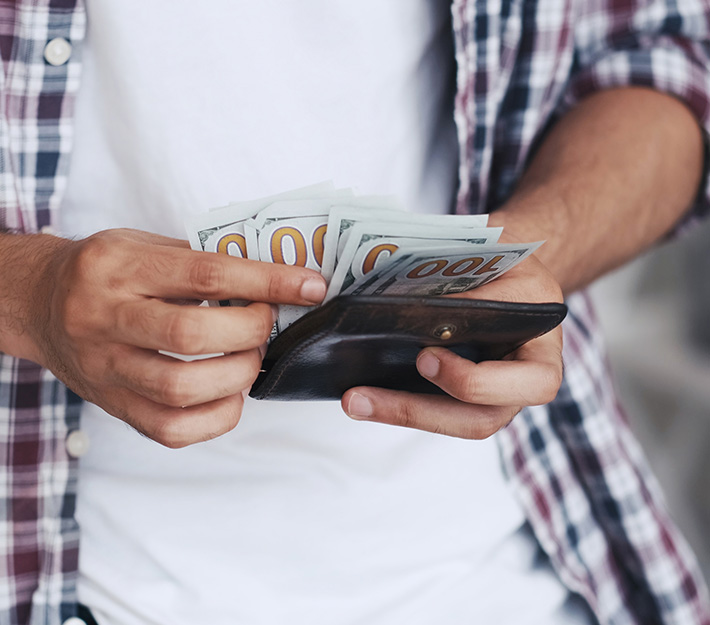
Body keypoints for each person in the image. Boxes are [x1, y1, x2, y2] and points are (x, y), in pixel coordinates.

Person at [1, 1, 709, 624]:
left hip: (506, 557)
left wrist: (519, 261)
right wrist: (28, 294)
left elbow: (661, 58)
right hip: (72, 575)